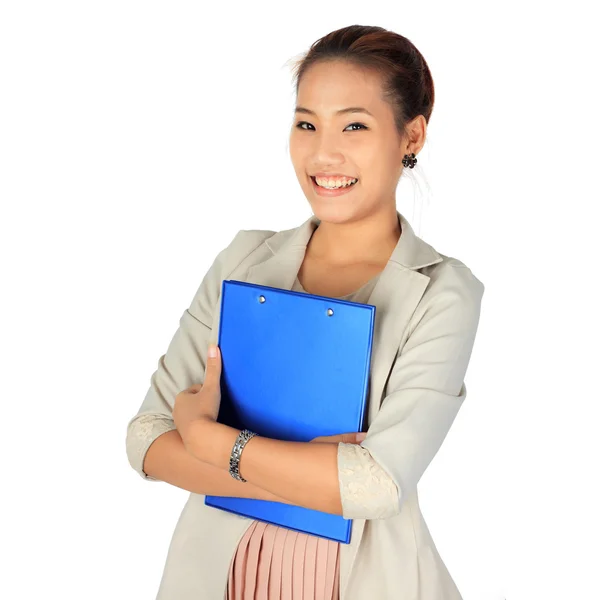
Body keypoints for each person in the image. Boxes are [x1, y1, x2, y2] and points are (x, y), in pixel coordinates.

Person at [125, 24, 485, 600]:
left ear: (411, 136)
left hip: (364, 580)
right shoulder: (243, 260)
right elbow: (146, 440)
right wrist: (312, 480)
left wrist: (216, 444)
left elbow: (377, 485)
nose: (323, 152)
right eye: (306, 123)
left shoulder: (442, 292)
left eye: (355, 125)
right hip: (219, 575)